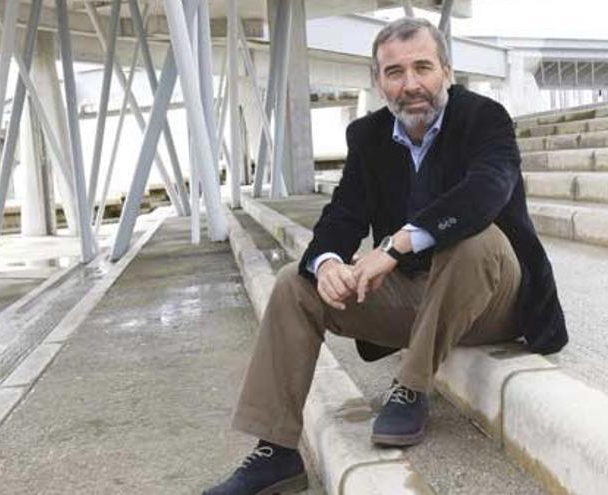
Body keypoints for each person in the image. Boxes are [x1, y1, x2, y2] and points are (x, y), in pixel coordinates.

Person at [204, 16, 567, 495]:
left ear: (447, 73)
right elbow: (342, 214)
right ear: (379, 83)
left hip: (493, 298)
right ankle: (276, 453)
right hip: (419, 298)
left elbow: (485, 193)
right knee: (295, 283)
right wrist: (329, 262)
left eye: (423, 67)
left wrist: (393, 246)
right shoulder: (369, 137)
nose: (411, 84)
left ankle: (411, 386)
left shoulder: (484, 119)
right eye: (395, 72)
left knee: (475, 237)